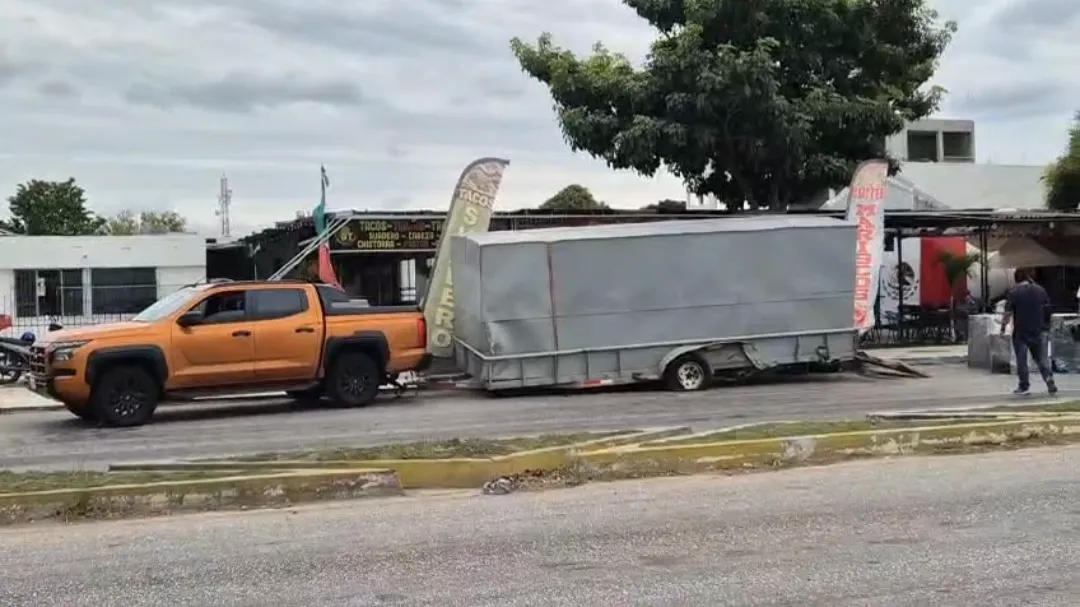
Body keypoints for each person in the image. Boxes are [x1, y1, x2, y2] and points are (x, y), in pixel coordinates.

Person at [1000, 268, 1057, 395]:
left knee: (1022, 360)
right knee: (1041, 359)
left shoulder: (1014, 292)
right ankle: (1048, 378)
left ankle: (1024, 386)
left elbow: (1008, 313)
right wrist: (1046, 326)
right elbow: (1048, 309)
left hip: (1021, 332)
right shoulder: (1040, 290)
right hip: (1039, 329)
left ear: (1016, 279)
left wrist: (1003, 328)